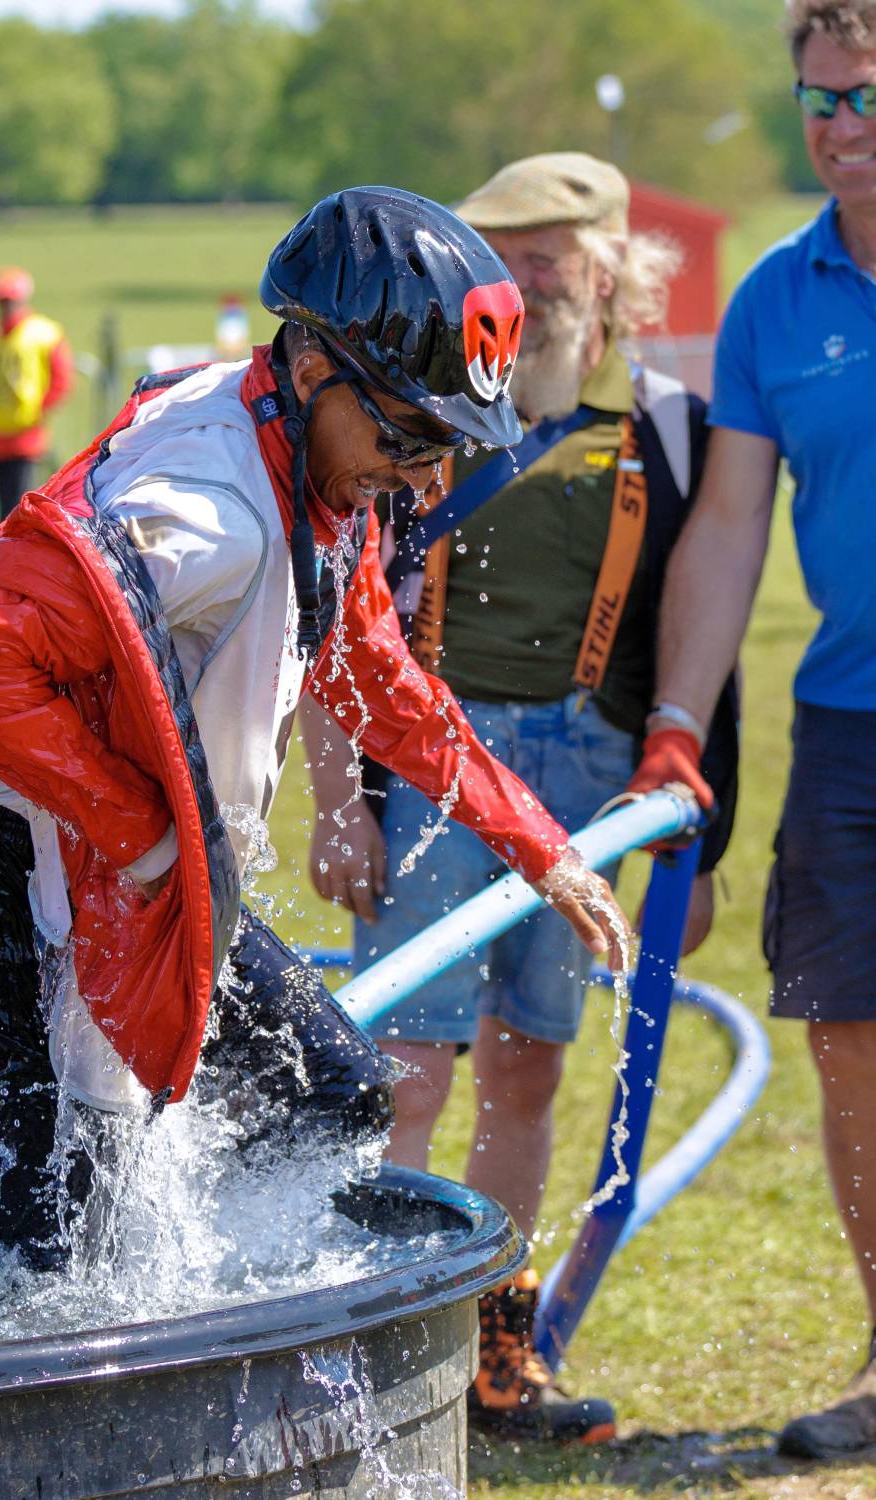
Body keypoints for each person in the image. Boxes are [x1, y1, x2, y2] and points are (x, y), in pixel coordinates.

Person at [0, 187, 630, 1275]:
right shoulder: (203, 511)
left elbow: (376, 674)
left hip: (117, 855)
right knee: (39, 1251)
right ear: (313, 367)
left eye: (447, 443)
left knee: (332, 1099)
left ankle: (186, 1306)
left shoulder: (309, 469)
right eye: (410, 434)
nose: (421, 480)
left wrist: (536, 846)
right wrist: (147, 839)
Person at [303, 154, 738, 1445]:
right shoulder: (424, 407)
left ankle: (496, 1347)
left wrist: (694, 839)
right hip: (430, 764)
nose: (529, 275)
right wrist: (338, 800)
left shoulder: (667, 424)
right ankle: (367, 1339)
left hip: (592, 779)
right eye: (508, 252)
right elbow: (341, 606)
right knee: (403, 1072)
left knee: (528, 1068)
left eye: (552, 251)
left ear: (612, 266)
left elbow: (692, 645)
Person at [628, 0, 876, 1461]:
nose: (837, 128)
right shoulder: (778, 301)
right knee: (845, 1040)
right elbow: (723, 529)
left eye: (862, 97)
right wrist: (674, 728)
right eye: (815, 101)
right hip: (843, 728)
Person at [0, 266, 72, 523]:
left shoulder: (43, 333)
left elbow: (61, 379)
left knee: (20, 512)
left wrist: (38, 411)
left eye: (10, 301)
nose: (5, 307)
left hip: (24, 438)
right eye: (1, 302)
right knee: (2, 515)